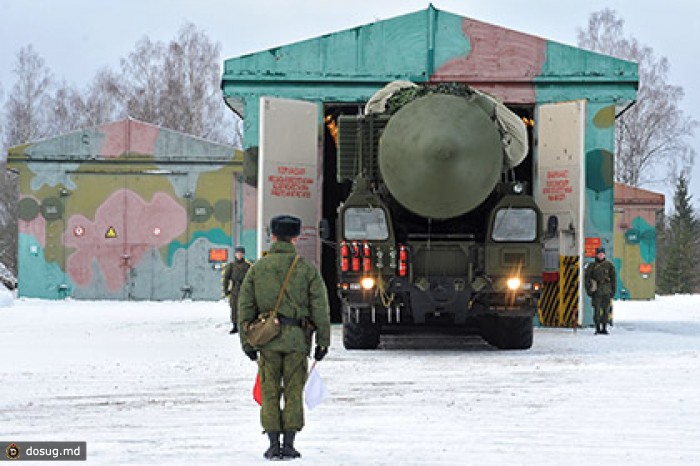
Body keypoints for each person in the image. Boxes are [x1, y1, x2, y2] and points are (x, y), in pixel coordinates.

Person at [238, 214, 331, 461]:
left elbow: (245, 307)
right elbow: (320, 307)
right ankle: (289, 444)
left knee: (269, 391)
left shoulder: (257, 268)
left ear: (273, 236)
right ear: (296, 237)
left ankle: (272, 444)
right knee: (293, 391)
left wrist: (246, 342)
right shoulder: (305, 268)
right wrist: (323, 341)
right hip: (297, 341)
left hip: (267, 341)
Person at [585, 247, 616, 335]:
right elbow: (587, 279)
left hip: (606, 290)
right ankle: (597, 328)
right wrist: (589, 290)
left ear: (604, 255)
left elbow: (613, 279)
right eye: (599, 254)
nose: (601, 256)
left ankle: (604, 328)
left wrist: (613, 291)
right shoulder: (592, 266)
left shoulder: (609, 265)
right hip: (596, 291)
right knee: (597, 311)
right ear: (596, 255)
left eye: (602, 254)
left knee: (606, 311)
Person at [223, 246, 252, 334]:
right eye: (238, 253)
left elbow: (251, 279)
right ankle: (235, 326)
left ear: (243, 254)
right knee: (234, 308)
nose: (239, 255)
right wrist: (226, 290)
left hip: (244, 289)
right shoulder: (231, 266)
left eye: (241, 253)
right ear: (235, 254)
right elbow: (226, 278)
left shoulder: (247, 266)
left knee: (244, 308)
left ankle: (244, 325)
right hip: (235, 289)